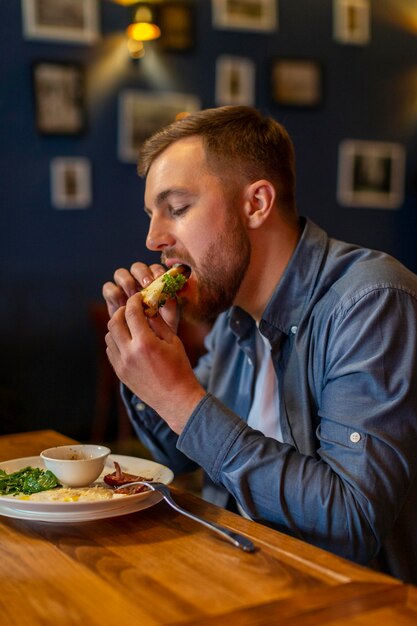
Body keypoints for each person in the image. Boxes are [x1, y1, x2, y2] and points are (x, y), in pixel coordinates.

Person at [103, 105, 417, 584]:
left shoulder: (372, 303)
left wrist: (181, 400)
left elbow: (352, 523)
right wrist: (153, 367)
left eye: (178, 208)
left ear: (256, 203)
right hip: (236, 570)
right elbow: (180, 456)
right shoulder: (235, 313)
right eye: (152, 215)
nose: (152, 238)